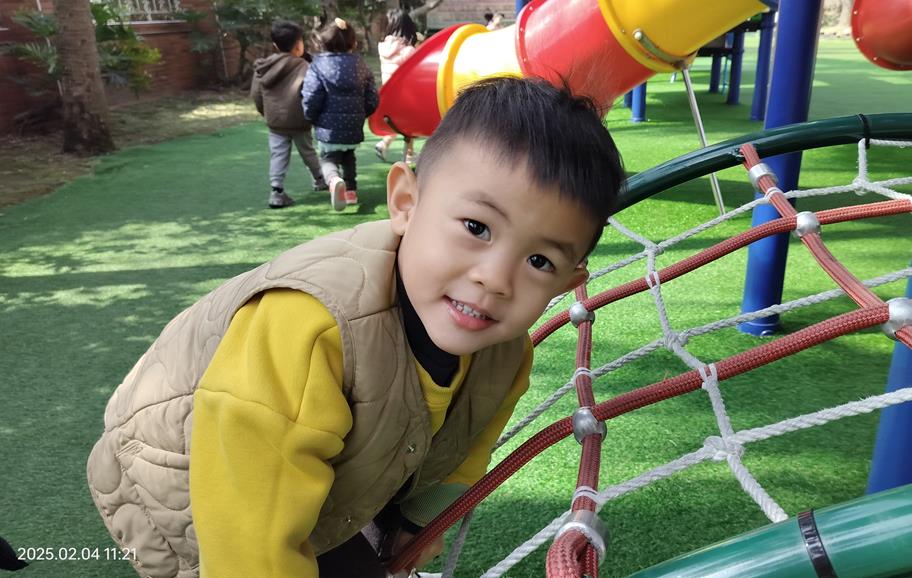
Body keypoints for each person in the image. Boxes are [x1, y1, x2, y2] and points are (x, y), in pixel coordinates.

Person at [85, 76, 625, 578]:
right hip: (180, 481)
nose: (495, 279)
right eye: (476, 227)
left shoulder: (504, 354)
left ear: (567, 282)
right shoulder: (307, 331)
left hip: (319, 463)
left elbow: (467, 445)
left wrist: (418, 522)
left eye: (539, 261)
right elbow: (249, 542)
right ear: (405, 203)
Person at [302, 18, 379, 211]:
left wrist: (311, 117)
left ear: (324, 42)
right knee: (348, 156)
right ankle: (351, 192)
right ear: (353, 43)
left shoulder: (318, 65)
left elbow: (311, 97)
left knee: (328, 158)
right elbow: (372, 97)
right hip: (353, 125)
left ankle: (334, 180)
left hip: (328, 126)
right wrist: (361, 113)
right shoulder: (361, 65)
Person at [250, 20, 327, 209]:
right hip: (299, 120)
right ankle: (320, 179)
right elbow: (313, 93)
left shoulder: (264, 67)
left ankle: (276, 191)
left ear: (275, 45)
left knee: (278, 155)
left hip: (275, 121)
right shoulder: (304, 66)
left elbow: (256, 94)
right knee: (308, 151)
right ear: (299, 44)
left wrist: (266, 112)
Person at [374, 9, 420, 164]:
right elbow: (415, 70)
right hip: (405, 95)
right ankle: (409, 154)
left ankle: (383, 144)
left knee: (394, 123)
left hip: (388, 92)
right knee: (409, 124)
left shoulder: (383, 46)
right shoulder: (408, 50)